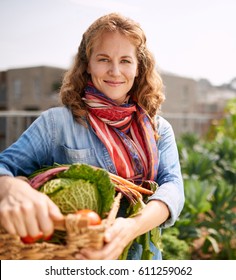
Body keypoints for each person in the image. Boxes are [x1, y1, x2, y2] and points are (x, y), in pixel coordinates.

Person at [0, 13, 184, 260]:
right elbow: (5, 166)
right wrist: (10, 186)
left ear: (139, 68)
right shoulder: (57, 124)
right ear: (87, 64)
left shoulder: (159, 129)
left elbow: (173, 188)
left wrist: (131, 228)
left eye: (126, 61)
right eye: (104, 59)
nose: (115, 71)